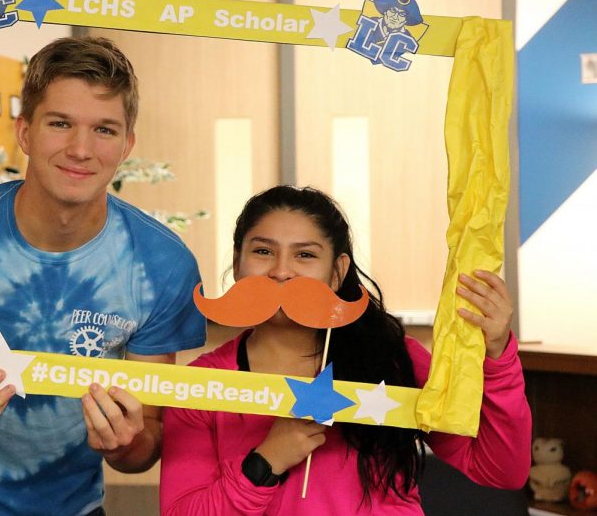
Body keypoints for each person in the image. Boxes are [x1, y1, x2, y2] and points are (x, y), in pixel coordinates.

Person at [0, 36, 207, 516]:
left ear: (127, 145)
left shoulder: (162, 264)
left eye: (104, 130)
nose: (80, 149)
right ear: (25, 132)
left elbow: (147, 436)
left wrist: (123, 446)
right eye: (60, 123)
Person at [159, 185, 532, 514]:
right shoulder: (202, 386)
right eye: (262, 251)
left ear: (337, 273)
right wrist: (265, 461)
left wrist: (498, 356)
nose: (281, 272)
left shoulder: (393, 357)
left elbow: (499, 469)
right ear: (238, 265)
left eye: (305, 255)